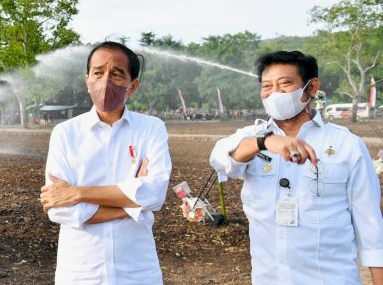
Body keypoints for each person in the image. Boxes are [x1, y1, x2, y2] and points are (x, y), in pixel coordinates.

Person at [209, 50, 383, 284]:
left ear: (311, 88)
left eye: (284, 84)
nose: (274, 94)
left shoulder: (347, 145)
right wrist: (265, 142)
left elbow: (371, 227)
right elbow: (221, 159)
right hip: (269, 278)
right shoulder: (253, 137)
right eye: (267, 86)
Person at [39, 41, 172, 284]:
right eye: (98, 72)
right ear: (87, 80)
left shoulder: (151, 128)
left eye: (117, 74)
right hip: (81, 273)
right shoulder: (65, 133)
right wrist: (132, 205)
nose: (106, 81)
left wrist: (77, 193)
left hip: (138, 271)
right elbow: (59, 208)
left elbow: (155, 193)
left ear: (133, 86)